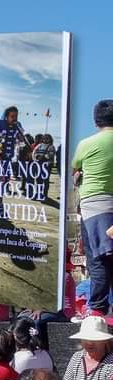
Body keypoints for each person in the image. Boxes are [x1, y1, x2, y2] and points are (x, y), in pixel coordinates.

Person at [72, 99, 113, 315]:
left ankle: (97, 311)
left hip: (94, 208)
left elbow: (76, 170)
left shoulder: (86, 144)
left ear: (96, 120)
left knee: (97, 261)